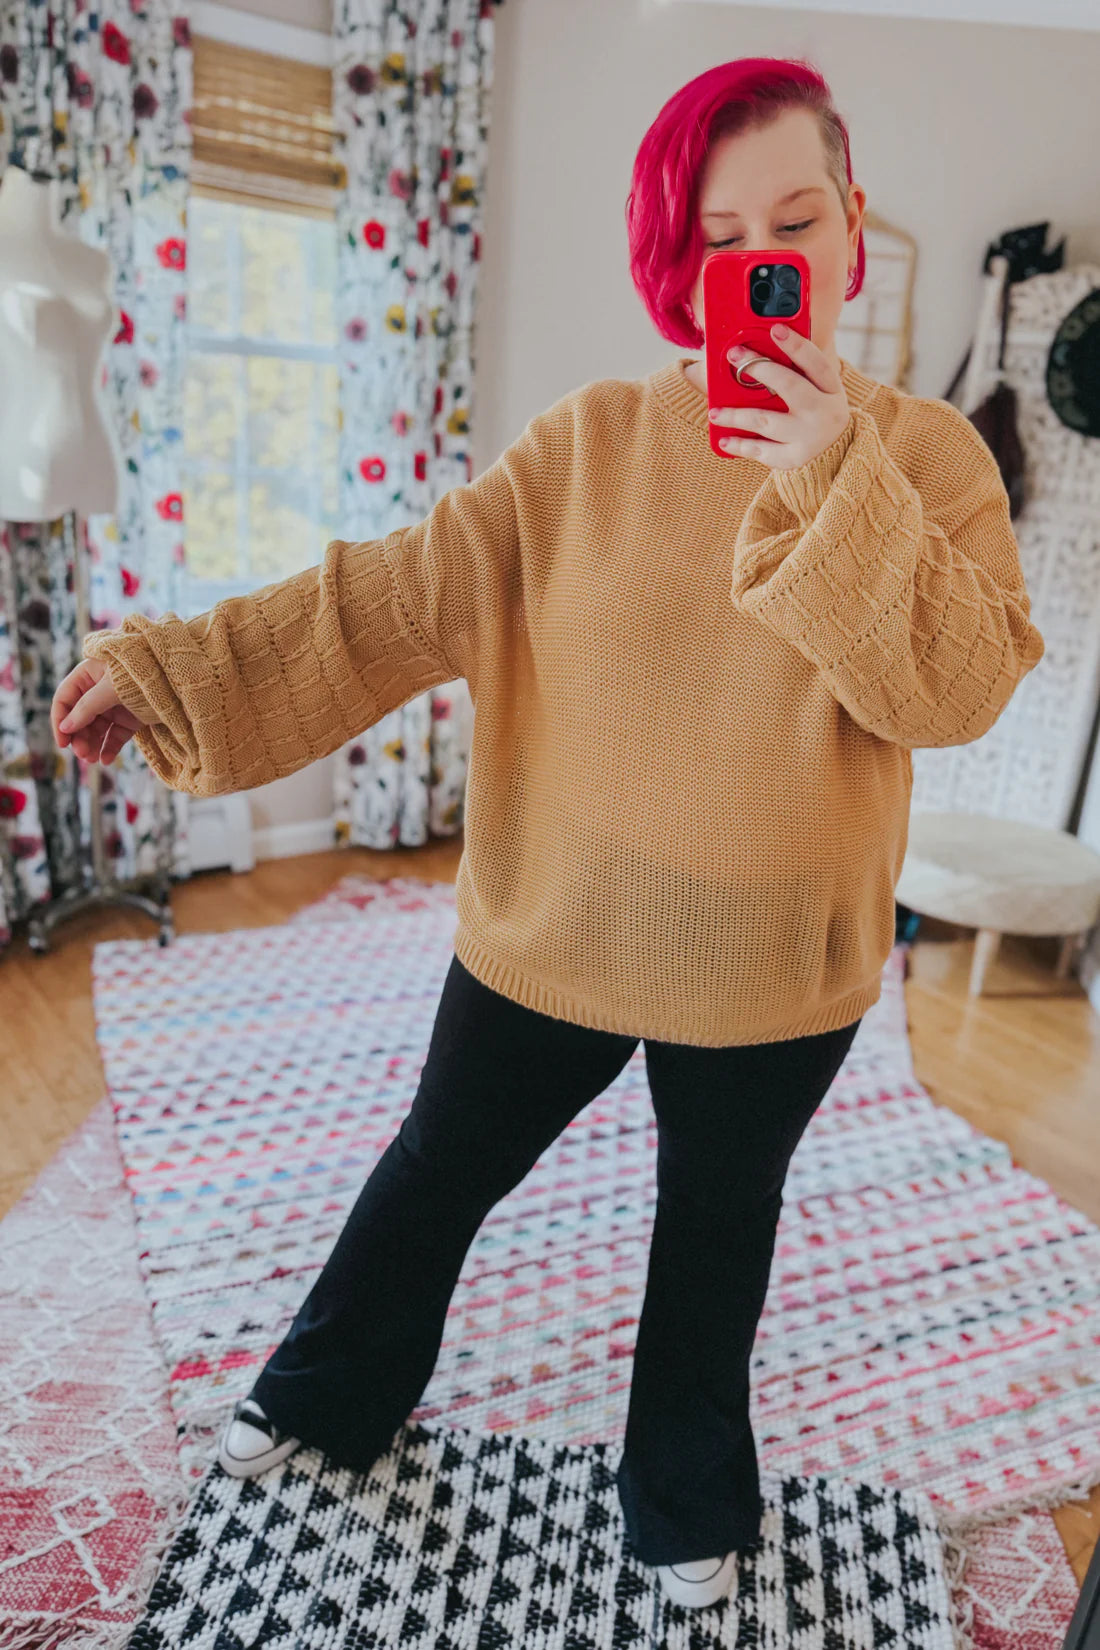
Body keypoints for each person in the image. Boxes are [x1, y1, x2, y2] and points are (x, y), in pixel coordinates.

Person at [50, 56, 1045, 1613]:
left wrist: (827, 475)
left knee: (718, 1228)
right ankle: (326, 1389)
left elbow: (959, 688)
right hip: (557, 918)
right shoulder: (586, 445)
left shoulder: (930, 462)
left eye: (796, 219)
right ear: (681, 257)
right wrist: (173, 666)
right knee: (441, 1164)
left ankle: (686, 1487)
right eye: (725, 236)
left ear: (852, 226)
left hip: (775, 962)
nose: (763, 261)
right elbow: (388, 600)